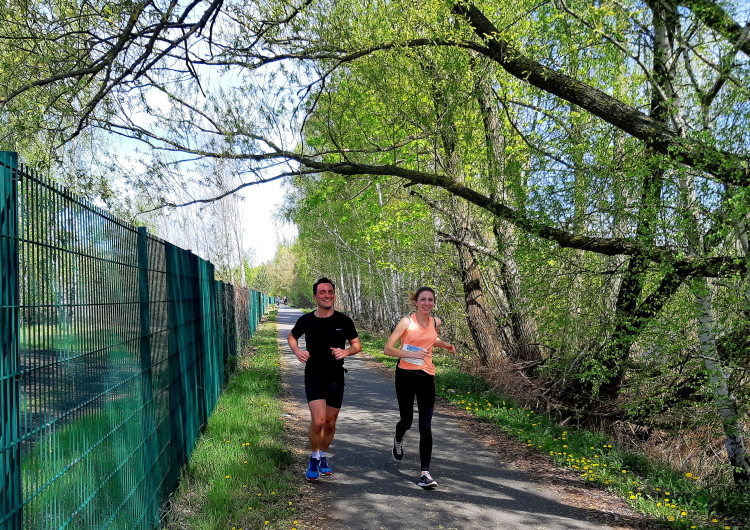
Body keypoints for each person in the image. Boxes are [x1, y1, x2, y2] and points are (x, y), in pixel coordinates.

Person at [288, 277, 362, 482]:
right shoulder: (306, 320)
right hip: (314, 374)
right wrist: (297, 352)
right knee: (318, 420)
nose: (327, 295)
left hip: (336, 376)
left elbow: (357, 345)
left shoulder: (343, 321)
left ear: (334, 295)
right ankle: (313, 458)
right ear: (315, 296)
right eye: (322, 292)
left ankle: (323, 456)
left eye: (330, 292)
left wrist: (346, 352)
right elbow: (292, 337)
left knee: (330, 423)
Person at [383, 286, 455, 489]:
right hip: (405, 375)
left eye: (430, 300)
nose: (427, 303)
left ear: (434, 302)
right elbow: (388, 349)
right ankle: (398, 438)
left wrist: (446, 345)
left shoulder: (435, 322)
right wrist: (411, 354)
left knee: (426, 425)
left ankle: (425, 473)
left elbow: (431, 339)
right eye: (423, 299)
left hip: (426, 375)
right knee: (407, 420)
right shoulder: (407, 322)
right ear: (416, 302)